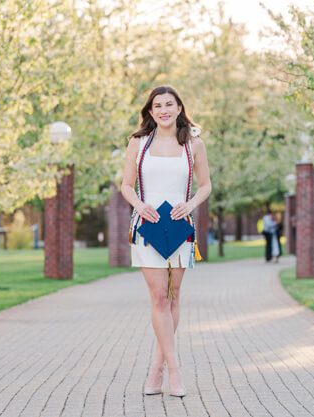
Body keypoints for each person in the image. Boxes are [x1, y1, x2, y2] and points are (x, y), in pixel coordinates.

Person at [121, 85, 211, 398]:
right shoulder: (138, 143)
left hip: (179, 226)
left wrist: (190, 204)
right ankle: (175, 370)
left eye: (169, 104)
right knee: (158, 297)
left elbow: (206, 185)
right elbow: (126, 185)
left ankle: (156, 369)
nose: (163, 110)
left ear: (179, 108)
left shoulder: (193, 143)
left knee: (173, 296)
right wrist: (138, 204)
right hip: (147, 226)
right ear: (150, 111)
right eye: (157, 105)